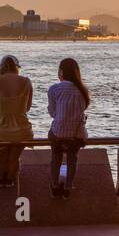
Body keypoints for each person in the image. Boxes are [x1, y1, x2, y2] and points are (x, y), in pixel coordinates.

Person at [0, 55, 33, 187]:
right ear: (17, 68)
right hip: (22, 129)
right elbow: (27, 108)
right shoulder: (26, 82)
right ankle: (11, 180)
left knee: (0, 158)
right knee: (14, 158)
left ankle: (0, 180)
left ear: (1, 67)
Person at [47, 57, 90, 199]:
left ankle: (54, 186)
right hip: (76, 134)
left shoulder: (54, 89)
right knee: (72, 157)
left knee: (56, 157)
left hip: (58, 133)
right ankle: (68, 187)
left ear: (61, 72)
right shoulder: (83, 91)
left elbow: (53, 113)